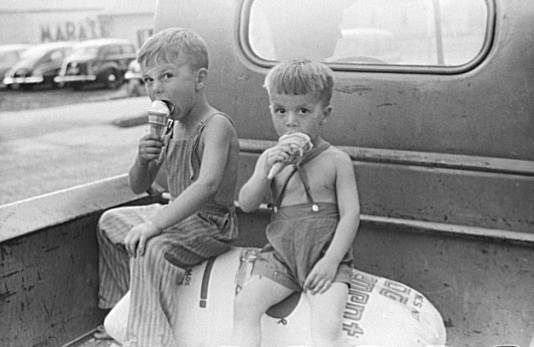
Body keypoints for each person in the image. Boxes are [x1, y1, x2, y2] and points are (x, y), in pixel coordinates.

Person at [96, 27, 239, 346]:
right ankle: (124, 310)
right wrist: (143, 159)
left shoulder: (216, 126)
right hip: (175, 217)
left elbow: (207, 184)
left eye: (167, 76)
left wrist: (153, 225)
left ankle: (151, 339)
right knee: (109, 224)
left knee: (152, 248)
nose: (155, 88)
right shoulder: (170, 127)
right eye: (148, 80)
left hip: (209, 225)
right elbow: (139, 185)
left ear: (199, 79)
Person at [230, 58, 360, 347]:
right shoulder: (269, 159)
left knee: (327, 326)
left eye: (303, 110)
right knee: (244, 306)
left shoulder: (337, 161)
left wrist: (331, 261)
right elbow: (247, 203)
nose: (290, 121)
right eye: (280, 110)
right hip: (281, 259)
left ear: (324, 114)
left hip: (324, 256)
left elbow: (351, 215)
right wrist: (264, 171)